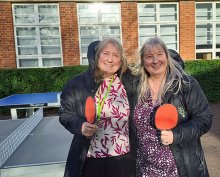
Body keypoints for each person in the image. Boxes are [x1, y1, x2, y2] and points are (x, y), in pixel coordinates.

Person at [133, 37, 213, 177]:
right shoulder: (135, 87)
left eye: (159, 54)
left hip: (178, 169)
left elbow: (204, 118)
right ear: (143, 61)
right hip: (144, 168)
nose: (155, 60)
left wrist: (176, 135)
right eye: (149, 56)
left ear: (167, 56)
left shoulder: (185, 84)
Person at [59, 38, 137, 177]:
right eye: (106, 53)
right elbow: (65, 114)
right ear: (97, 56)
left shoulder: (130, 82)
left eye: (116, 55)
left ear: (121, 60)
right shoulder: (78, 83)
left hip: (124, 159)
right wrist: (80, 126)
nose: (110, 59)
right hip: (91, 159)